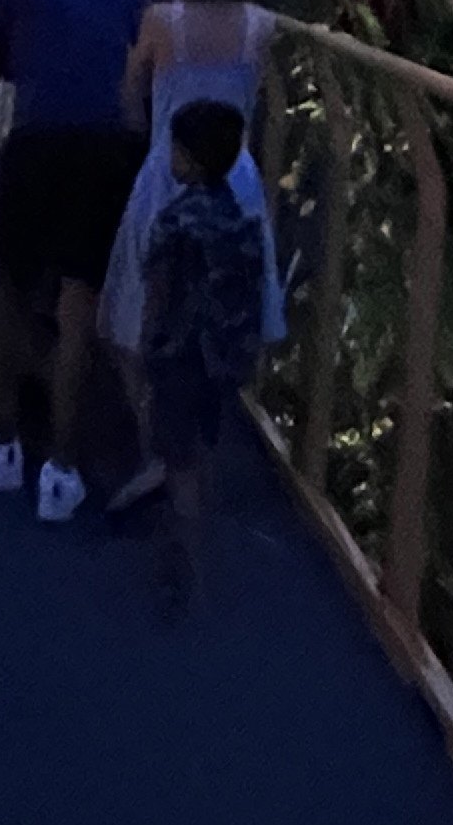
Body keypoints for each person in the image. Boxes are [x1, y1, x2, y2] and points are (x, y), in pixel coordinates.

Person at [0, 0, 146, 522]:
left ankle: (2, 440)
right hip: (107, 148)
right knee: (79, 303)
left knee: (7, 286)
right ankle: (61, 468)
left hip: (39, 139)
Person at [96, 0, 286, 515]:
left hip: (167, 170)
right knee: (224, 311)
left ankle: (157, 441)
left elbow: (129, 96)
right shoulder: (262, 27)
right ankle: (195, 449)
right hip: (238, 177)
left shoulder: (160, 23)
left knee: (132, 313)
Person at [138, 98, 268, 613]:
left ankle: (181, 560)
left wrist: (149, 340)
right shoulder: (244, 221)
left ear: (187, 158)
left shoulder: (175, 221)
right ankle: (192, 534)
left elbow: (159, 287)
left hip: (178, 353)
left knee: (176, 454)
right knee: (203, 444)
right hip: (223, 353)